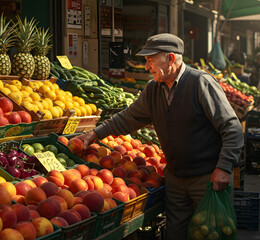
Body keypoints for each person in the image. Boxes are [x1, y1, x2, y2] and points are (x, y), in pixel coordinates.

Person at [73, 33, 244, 239]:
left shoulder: (200, 83)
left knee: (210, 233)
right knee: (175, 233)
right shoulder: (153, 89)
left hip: (207, 178)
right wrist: (95, 134)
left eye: (150, 60)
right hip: (175, 178)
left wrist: (224, 167)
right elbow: (128, 118)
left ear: (171, 59)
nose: (146, 67)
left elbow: (232, 128)